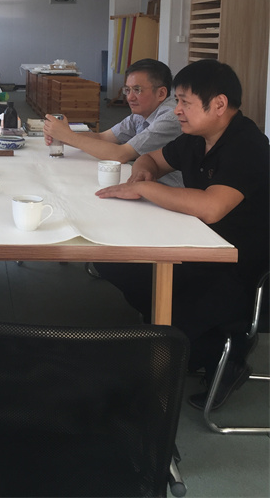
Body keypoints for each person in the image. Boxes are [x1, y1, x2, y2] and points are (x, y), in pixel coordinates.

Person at [95, 59, 269, 409]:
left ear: (218, 104)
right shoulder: (196, 139)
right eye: (177, 101)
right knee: (114, 262)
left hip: (240, 267)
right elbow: (152, 160)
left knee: (161, 334)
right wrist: (142, 173)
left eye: (185, 102)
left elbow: (211, 207)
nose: (177, 111)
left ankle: (225, 356)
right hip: (197, 246)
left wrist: (144, 190)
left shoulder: (248, 145)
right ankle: (202, 344)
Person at [43, 58, 183, 186]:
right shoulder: (142, 113)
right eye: (127, 90)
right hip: (147, 182)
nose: (130, 97)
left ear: (161, 93)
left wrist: (67, 136)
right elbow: (102, 137)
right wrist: (61, 135)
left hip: (171, 191)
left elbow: (120, 154)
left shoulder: (170, 118)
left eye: (137, 90)